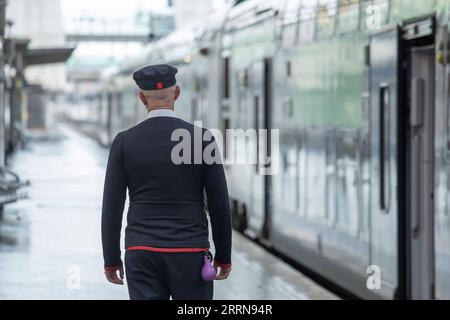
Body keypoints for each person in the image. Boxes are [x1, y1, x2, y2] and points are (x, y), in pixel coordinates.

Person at [101, 64, 232, 300]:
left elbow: (112, 208)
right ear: (177, 93)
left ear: (142, 98)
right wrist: (224, 255)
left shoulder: (124, 142)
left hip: (141, 252)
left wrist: (111, 259)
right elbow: (219, 204)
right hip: (190, 252)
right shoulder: (202, 140)